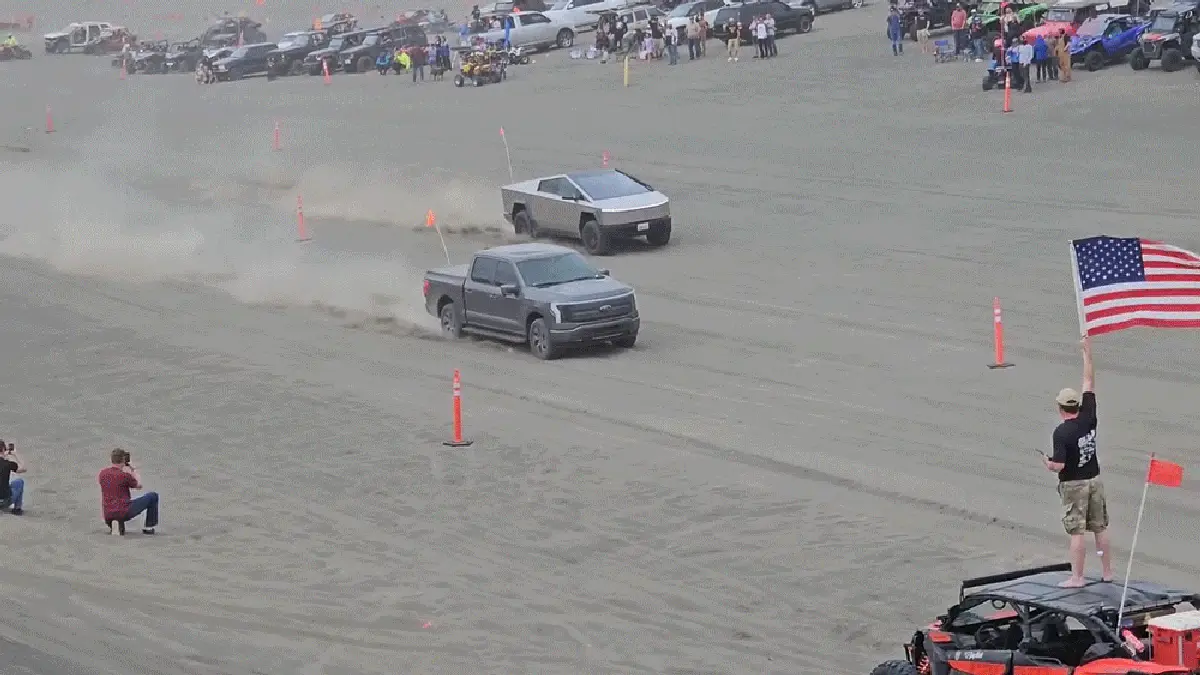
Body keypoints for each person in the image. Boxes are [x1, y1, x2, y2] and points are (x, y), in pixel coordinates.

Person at [1043, 336, 1110, 588]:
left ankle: (1078, 576)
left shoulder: (1062, 432)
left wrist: (1048, 464)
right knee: (1100, 527)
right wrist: (1087, 354)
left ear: (1060, 407)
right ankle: (1107, 571)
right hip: (1094, 479)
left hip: (1074, 485)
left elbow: (1059, 465)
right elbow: (1089, 382)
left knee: (1077, 531)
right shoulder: (1089, 416)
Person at [98, 449, 159, 535]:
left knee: (117, 520)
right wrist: (133, 471)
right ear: (123, 460)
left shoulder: (102, 474)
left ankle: (116, 524)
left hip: (108, 513)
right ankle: (148, 527)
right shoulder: (125, 476)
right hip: (124, 510)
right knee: (153, 496)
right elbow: (139, 486)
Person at [0, 441, 26, 515]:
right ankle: (17, 509)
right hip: (4, 501)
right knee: (19, 482)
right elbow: (24, 468)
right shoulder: (8, 464)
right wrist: (15, 454)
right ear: (3, 449)